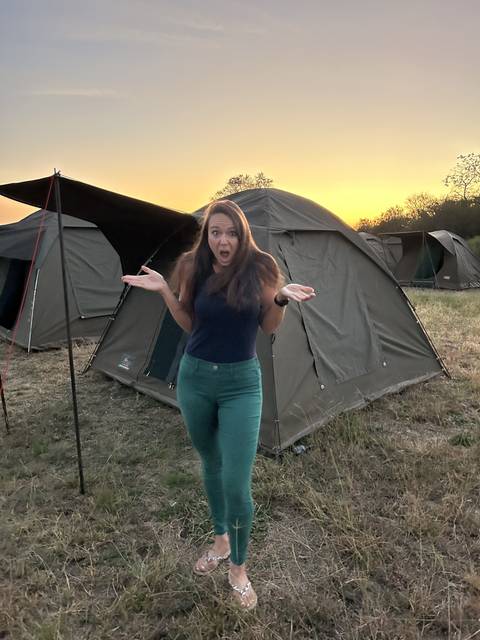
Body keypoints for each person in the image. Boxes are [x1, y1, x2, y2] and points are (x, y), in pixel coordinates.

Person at [121, 200, 315, 610]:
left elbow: (267, 326)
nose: (223, 241)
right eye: (216, 232)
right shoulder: (194, 267)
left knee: (237, 483)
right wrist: (165, 293)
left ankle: (239, 568)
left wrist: (278, 299)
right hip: (195, 379)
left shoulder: (258, 268)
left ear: (242, 234)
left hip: (241, 384)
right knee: (210, 463)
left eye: (231, 233)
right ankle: (221, 539)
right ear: (207, 234)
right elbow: (191, 323)